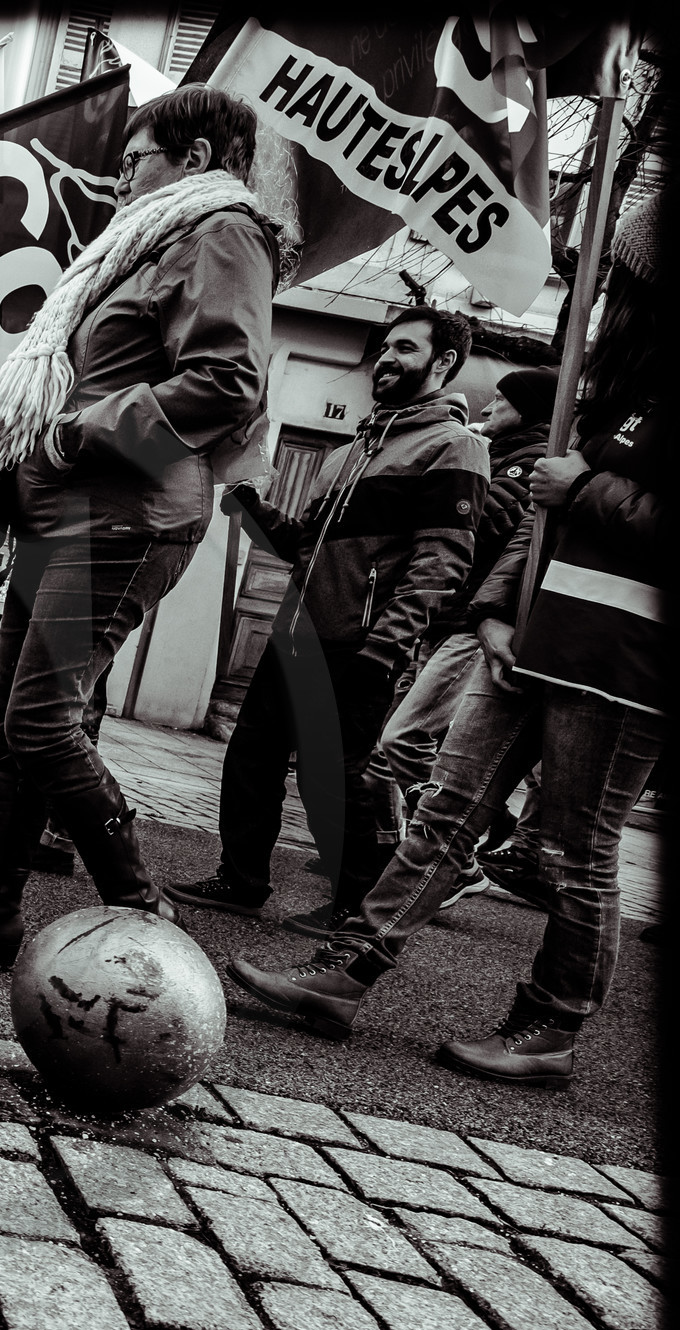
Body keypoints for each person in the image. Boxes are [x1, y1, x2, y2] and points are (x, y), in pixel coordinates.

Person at [226, 196, 665, 1086]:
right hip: (534, 638)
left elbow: (588, 507)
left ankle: (551, 1027)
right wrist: (498, 610)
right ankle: (345, 974)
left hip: (621, 662)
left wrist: (583, 489)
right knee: (442, 815)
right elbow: (532, 532)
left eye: (617, 278)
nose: (602, 294)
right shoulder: (614, 386)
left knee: (577, 852)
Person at [0, 85, 285, 966]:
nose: (120, 175)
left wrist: (74, 430)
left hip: (122, 520)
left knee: (39, 722)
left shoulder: (222, 234)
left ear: (195, 159)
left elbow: (229, 382)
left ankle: (143, 918)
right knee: (9, 719)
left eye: (136, 157)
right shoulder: (137, 248)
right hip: (64, 514)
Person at [166, 305, 489, 938]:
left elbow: (441, 559)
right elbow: (303, 544)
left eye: (404, 348)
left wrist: (386, 646)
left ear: (442, 362)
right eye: (384, 348)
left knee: (336, 775)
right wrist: (252, 508)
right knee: (253, 755)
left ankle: (353, 907)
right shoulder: (351, 451)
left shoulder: (455, 446)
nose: (386, 359)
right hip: (296, 631)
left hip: (359, 643)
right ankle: (242, 879)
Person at [368, 364, 556, 903]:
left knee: (401, 739)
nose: (489, 407)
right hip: (447, 617)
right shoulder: (499, 456)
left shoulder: (525, 464)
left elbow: (481, 525)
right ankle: (399, 852)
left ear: (531, 409)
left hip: (474, 625)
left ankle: (463, 850)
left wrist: (450, 482)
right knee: (392, 746)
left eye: (502, 399)